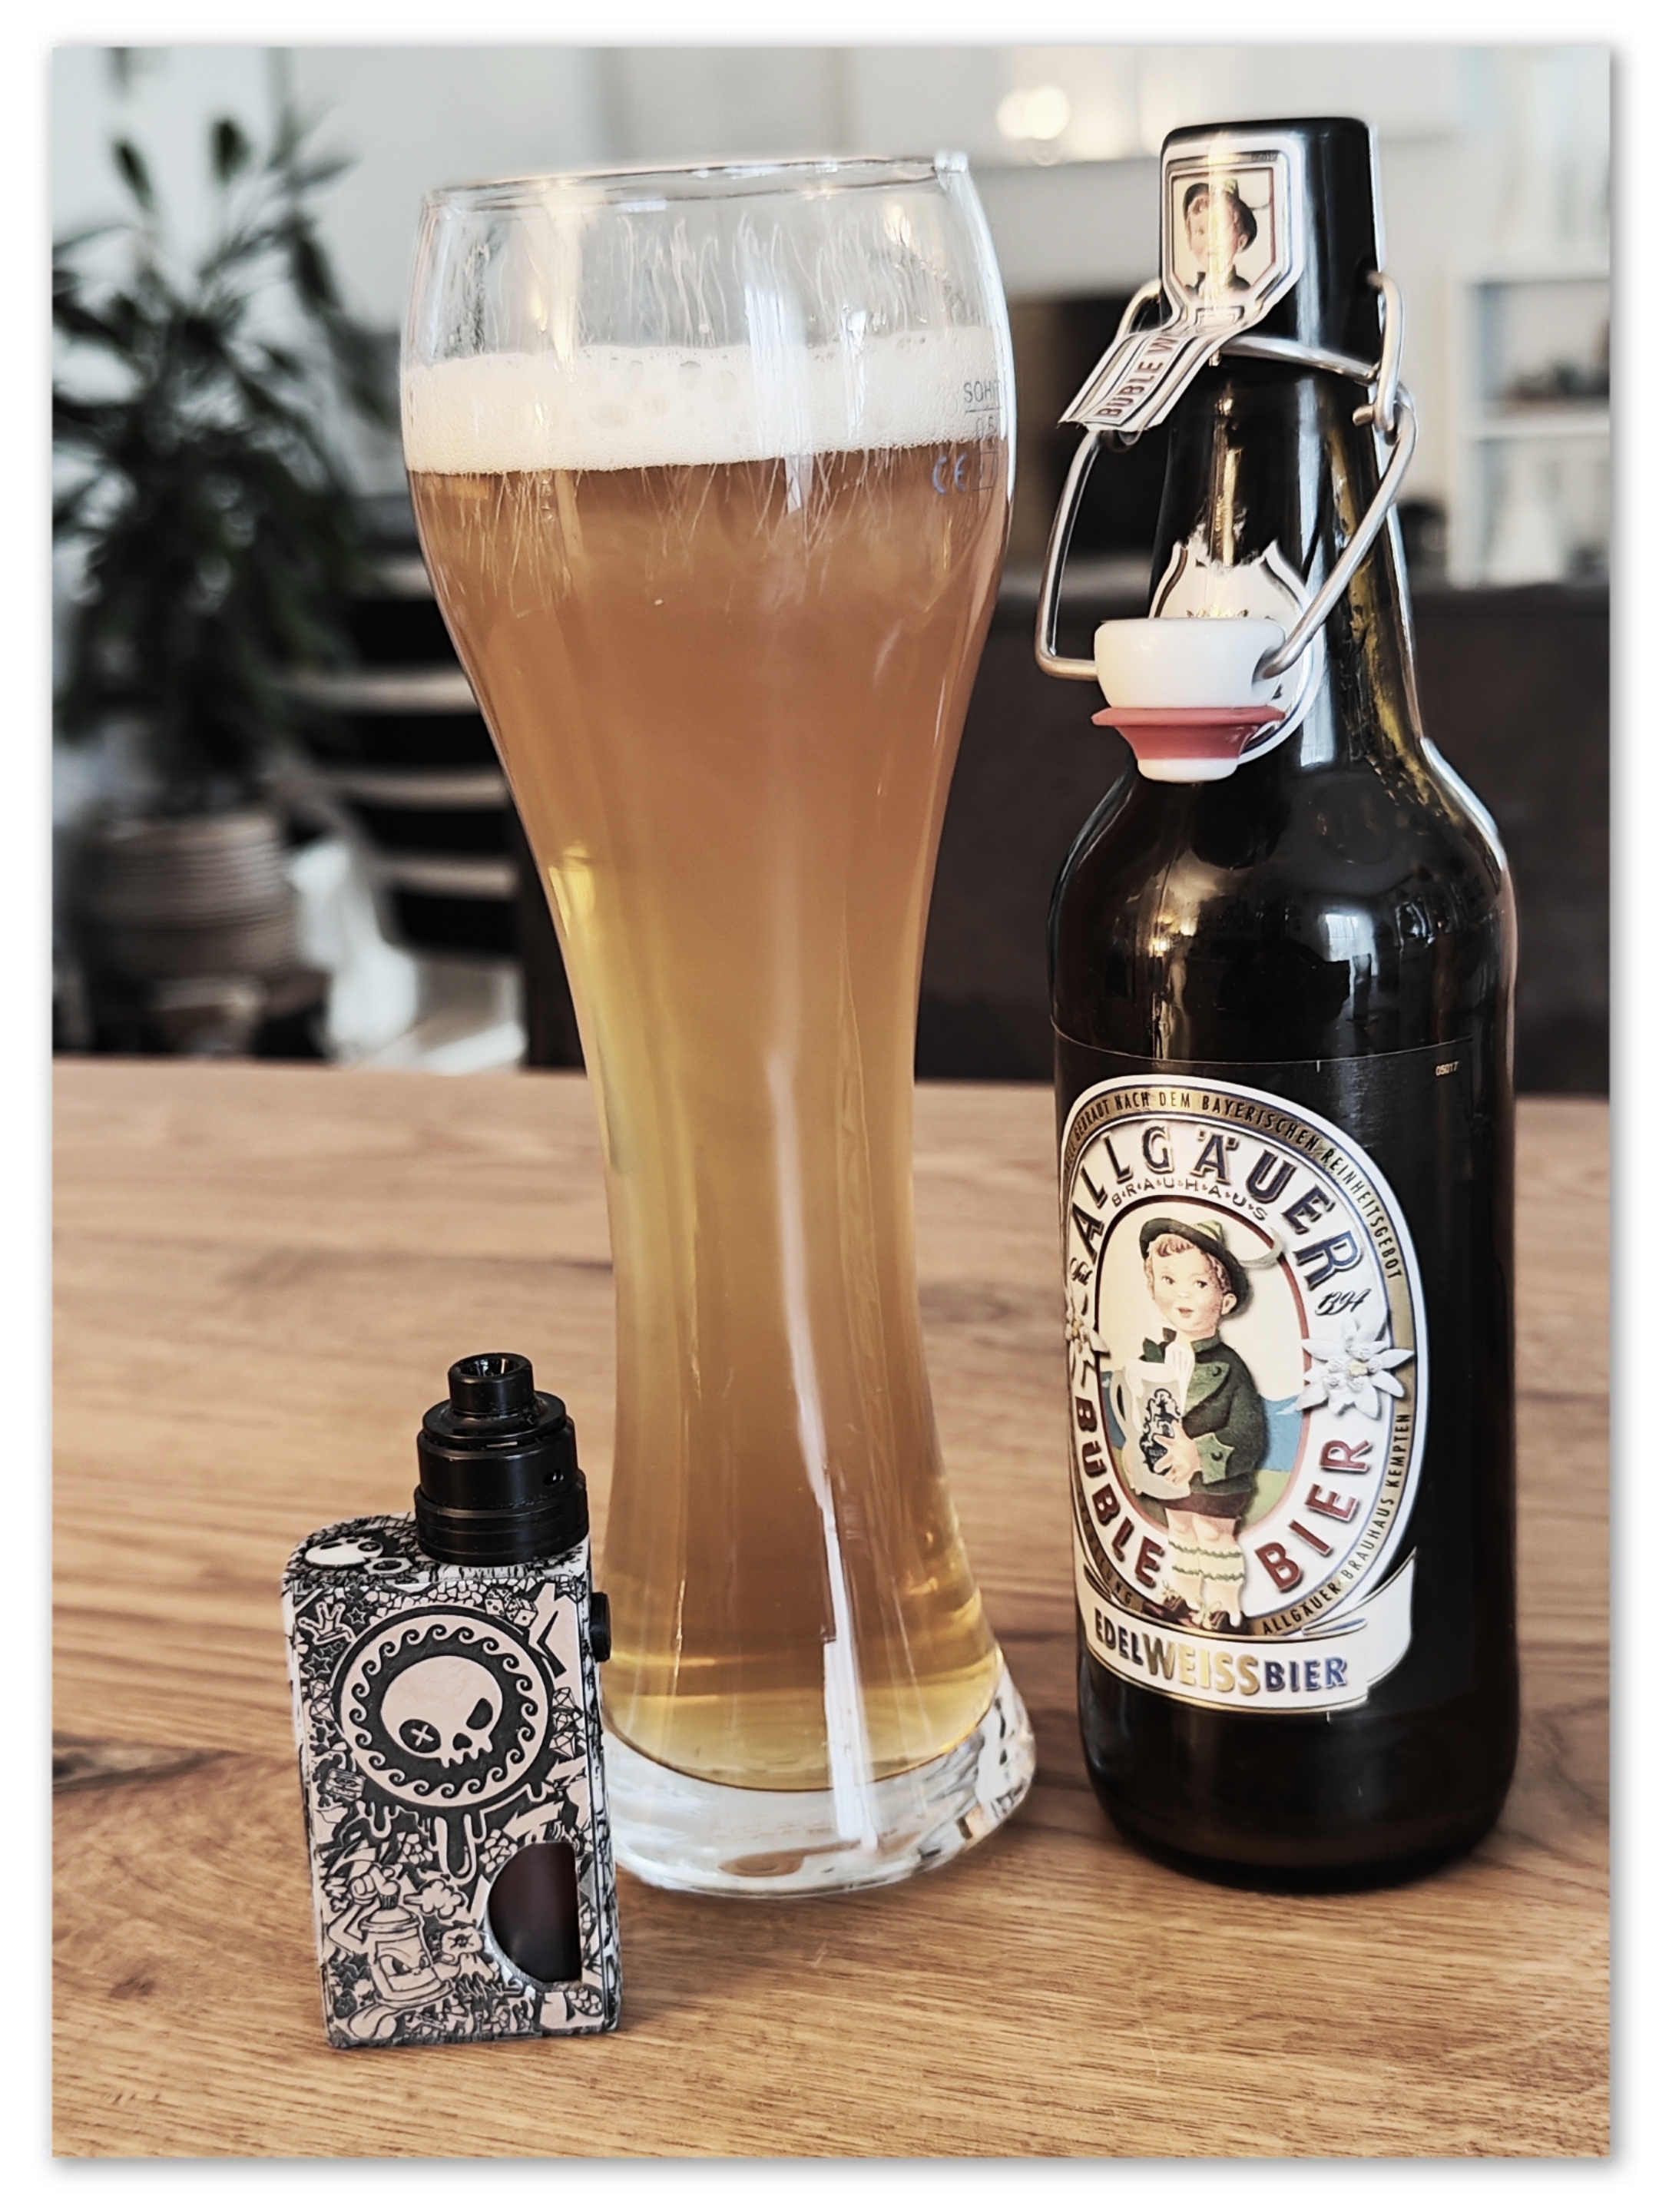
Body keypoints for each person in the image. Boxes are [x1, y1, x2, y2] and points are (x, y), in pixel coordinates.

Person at [1134, 1216, 1267, 1628]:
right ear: (1152, 1287)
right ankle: (1187, 1597)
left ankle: (1226, 1606)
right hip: (1171, 1477)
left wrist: (1201, 1454)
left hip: (1218, 1480)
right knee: (1180, 1531)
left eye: (1200, 1283)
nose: (1183, 1294)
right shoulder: (1153, 1359)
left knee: (1212, 1534)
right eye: (1168, 1280)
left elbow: (1249, 1433)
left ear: (1225, 1303)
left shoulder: (1230, 1368)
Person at [1183, 177, 1257, 299]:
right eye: (1200, 232)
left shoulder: (1242, 291)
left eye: (1219, 232)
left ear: (1241, 242)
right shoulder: (1191, 292)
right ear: (1190, 240)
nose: (1209, 241)